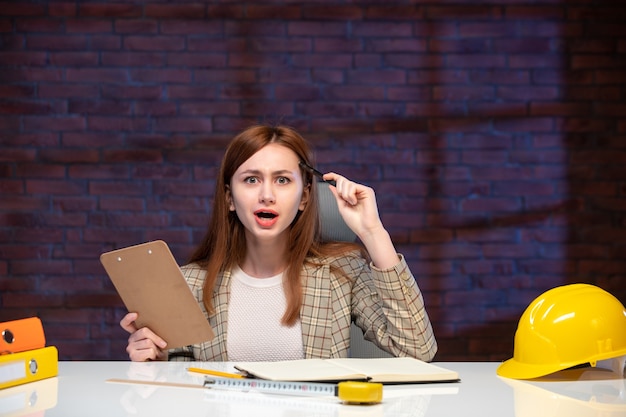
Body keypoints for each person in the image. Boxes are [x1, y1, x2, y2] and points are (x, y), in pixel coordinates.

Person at [120, 124, 437, 362]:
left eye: (282, 180)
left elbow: (418, 350)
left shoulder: (341, 271)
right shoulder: (190, 282)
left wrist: (372, 232)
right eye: (251, 179)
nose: (267, 195)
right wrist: (154, 363)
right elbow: (179, 389)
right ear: (230, 198)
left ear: (305, 197)